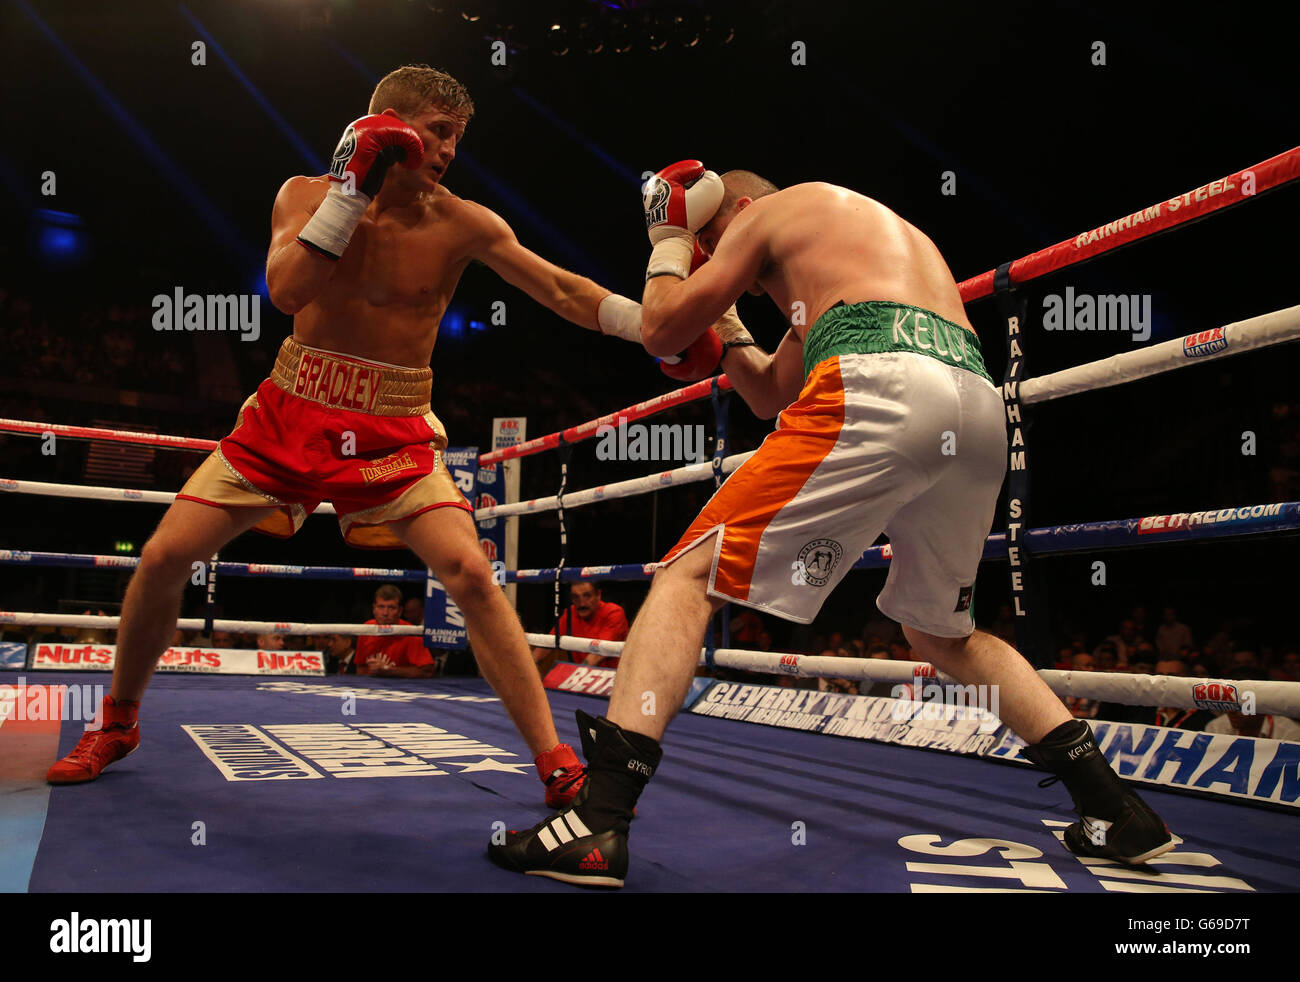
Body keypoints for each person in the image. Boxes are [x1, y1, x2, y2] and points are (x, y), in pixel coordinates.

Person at [490, 165, 1174, 886]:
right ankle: (1116, 806)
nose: (723, 265)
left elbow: (659, 322)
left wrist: (667, 240)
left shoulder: (768, 212)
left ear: (741, 205)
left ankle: (598, 821)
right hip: (973, 405)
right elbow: (767, 394)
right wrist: (723, 324)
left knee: (690, 573)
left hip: (882, 380)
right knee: (944, 634)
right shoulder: (847, 246)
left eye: (712, 240)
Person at [43, 64, 671, 808]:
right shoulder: (305, 194)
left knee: (470, 573)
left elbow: (564, 290)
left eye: (457, 138)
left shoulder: (464, 221)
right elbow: (285, 292)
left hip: (393, 426)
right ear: (393, 126)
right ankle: (117, 722)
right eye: (438, 132)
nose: (449, 151)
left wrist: (654, 326)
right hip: (292, 407)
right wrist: (351, 192)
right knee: (162, 556)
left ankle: (554, 759)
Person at [532, 580, 629, 673]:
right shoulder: (570, 614)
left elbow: (598, 654)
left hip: (617, 681)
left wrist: (575, 677)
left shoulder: (613, 613)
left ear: (598, 595)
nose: (581, 603)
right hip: (584, 678)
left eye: (587, 596)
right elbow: (548, 643)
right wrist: (526, 667)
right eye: (575, 597)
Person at [355, 585, 435, 678]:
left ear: (400, 611)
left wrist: (388, 670)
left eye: (391, 608)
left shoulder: (410, 633)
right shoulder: (366, 630)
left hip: (403, 689)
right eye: (381, 607)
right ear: (374, 609)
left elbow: (428, 672)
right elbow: (360, 668)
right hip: (372, 688)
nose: (385, 613)